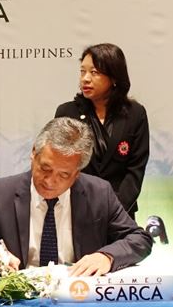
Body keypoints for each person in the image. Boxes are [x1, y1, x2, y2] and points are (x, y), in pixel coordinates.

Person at [0, 117, 152, 277]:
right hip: (20, 299)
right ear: (33, 153)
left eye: (64, 175)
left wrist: (106, 257)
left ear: (77, 173)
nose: (50, 182)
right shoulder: (0, 192)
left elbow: (140, 239)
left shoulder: (99, 193)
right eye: (45, 169)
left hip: (79, 296)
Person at [55, 43, 149, 220]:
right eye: (83, 71)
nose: (85, 79)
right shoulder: (67, 113)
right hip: (77, 212)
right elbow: (60, 165)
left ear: (114, 77)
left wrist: (114, 211)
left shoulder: (135, 114)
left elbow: (135, 170)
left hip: (121, 213)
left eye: (94, 72)